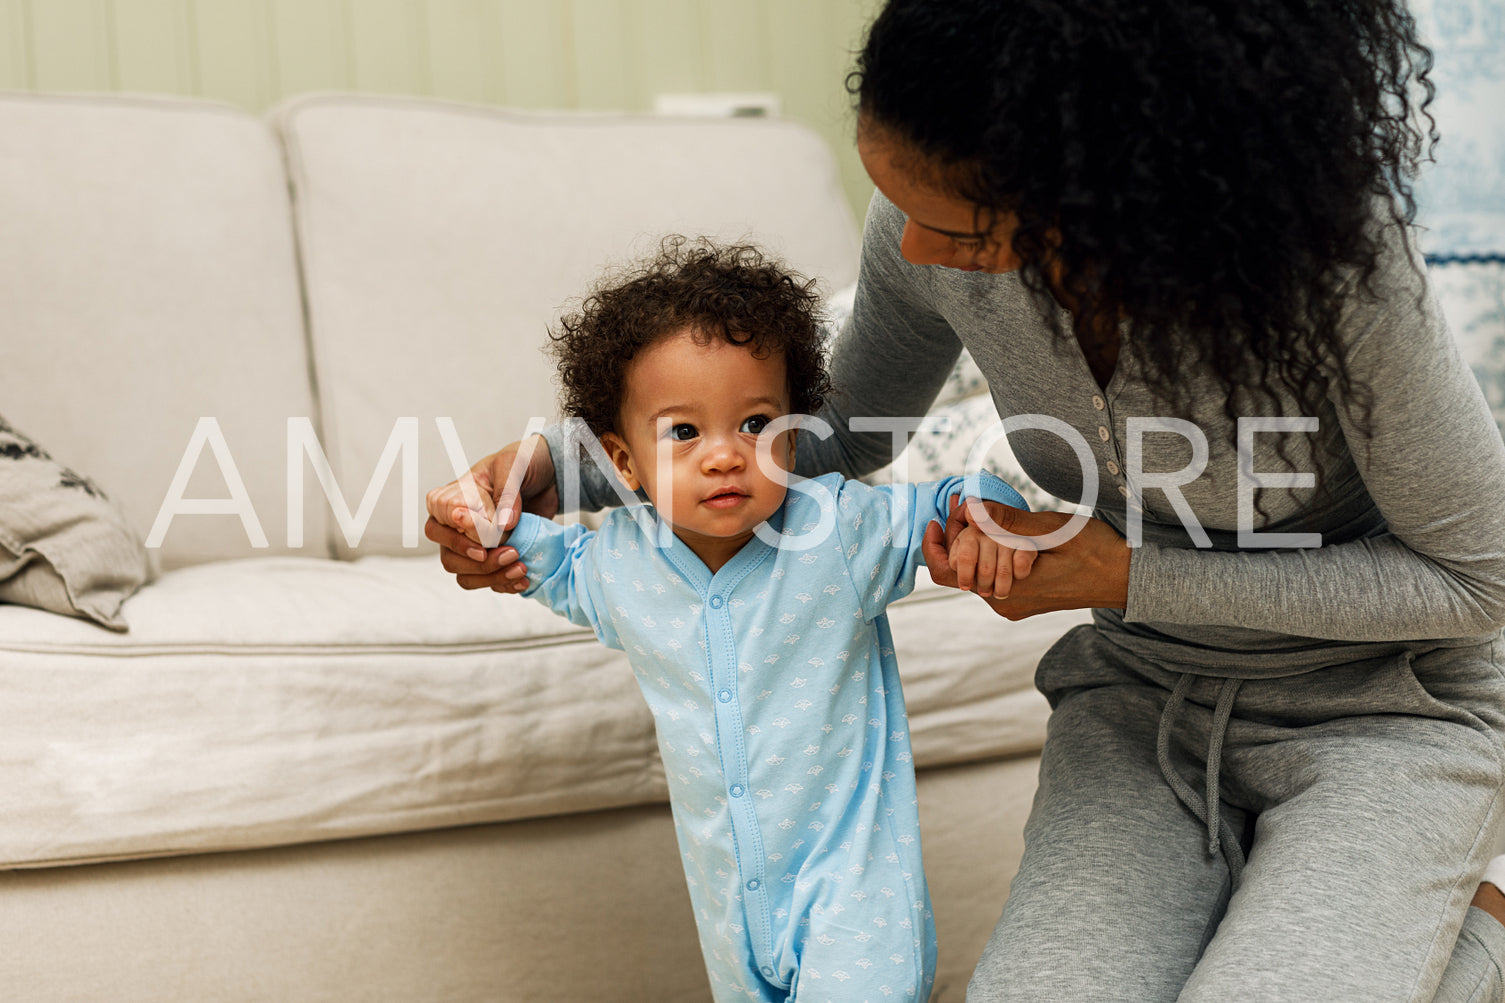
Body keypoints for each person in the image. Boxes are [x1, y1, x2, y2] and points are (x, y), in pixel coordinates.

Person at [426, 1, 1505, 999]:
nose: (915, 253)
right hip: (1147, 697)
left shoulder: (1337, 276)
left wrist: (1126, 570)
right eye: (895, 205)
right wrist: (549, 474)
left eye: (966, 231)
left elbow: (1479, 580)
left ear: (1118, 196)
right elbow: (825, 443)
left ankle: (1476, 926)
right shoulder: (923, 238)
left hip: (1388, 711)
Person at [435, 237, 1031, 1003]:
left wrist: (990, 515)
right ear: (622, 464)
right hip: (728, 913)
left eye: (755, 423)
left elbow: (952, 499)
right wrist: (476, 516)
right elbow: (534, 551)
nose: (725, 456)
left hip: (854, 906)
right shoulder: (616, 560)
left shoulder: (837, 528)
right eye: (684, 433)